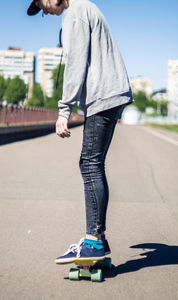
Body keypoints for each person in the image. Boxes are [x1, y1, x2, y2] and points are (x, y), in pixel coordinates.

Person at [27, 0, 133, 264]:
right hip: (112, 93)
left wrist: (64, 109)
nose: (45, 11)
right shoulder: (86, 7)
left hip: (103, 96)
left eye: (42, 4)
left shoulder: (74, 14)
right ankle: (98, 239)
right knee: (92, 164)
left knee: (89, 165)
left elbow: (75, 64)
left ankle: (94, 242)